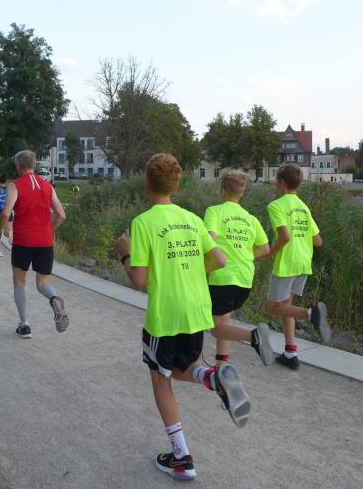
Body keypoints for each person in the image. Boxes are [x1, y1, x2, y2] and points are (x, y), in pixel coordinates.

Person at [113, 153, 250, 482]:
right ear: (176, 185)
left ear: (146, 184)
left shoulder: (143, 223)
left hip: (166, 313)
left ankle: (181, 458)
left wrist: (124, 253)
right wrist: (188, 268)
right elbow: (219, 260)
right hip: (196, 309)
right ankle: (212, 378)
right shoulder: (192, 219)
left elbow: (139, 279)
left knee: (161, 379)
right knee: (181, 368)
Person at [0, 151, 68, 338]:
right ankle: (54, 298)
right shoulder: (47, 186)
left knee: (19, 281)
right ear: (34, 165)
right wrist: (48, 231)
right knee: (42, 284)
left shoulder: (15, 185)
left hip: (23, 241)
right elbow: (61, 215)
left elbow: (5, 213)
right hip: (45, 242)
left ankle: (25, 325)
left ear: (18, 166)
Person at [263, 163, 331, 370]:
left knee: (273, 307)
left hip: (287, 262)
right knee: (286, 307)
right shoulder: (303, 207)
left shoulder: (276, 206)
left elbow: (284, 236)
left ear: (282, 182)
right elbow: (318, 241)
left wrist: (269, 254)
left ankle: (310, 314)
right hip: (303, 262)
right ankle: (291, 353)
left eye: (276, 181)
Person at [203, 169, 274, 367]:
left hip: (222, 277)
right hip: (244, 279)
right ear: (241, 193)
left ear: (222, 191)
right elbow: (265, 249)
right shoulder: (251, 218)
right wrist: (245, 255)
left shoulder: (214, 211)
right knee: (224, 321)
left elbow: (210, 239)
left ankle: (253, 336)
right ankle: (221, 366)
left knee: (216, 329)